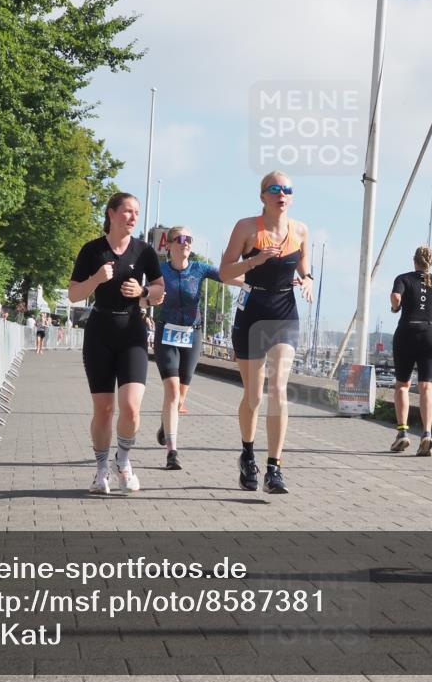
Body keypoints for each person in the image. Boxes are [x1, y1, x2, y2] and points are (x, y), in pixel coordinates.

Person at [220, 171, 313, 494]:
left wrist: (308, 280)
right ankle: (247, 454)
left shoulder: (300, 230)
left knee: (278, 389)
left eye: (287, 189)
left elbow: (305, 266)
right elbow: (224, 270)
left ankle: (274, 468)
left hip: (285, 312)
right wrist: (255, 260)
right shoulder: (246, 228)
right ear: (263, 196)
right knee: (254, 395)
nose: (282, 194)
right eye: (275, 189)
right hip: (252, 311)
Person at [68, 192, 165, 495]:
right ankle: (100, 471)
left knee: (132, 409)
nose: (133, 217)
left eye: (136, 212)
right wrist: (96, 279)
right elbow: (73, 294)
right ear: (111, 214)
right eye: (127, 211)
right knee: (105, 409)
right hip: (99, 332)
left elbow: (160, 292)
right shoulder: (92, 250)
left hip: (132, 330)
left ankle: (123, 461)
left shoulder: (144, 251)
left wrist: (143, 291)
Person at [153, 226, 244, 470]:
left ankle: (165, 423)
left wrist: (256, 281)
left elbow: (227, 277)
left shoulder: (199, 269)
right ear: (169, 245)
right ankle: (172, 452)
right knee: (171, 392)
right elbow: (146, 293)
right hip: (167, 334)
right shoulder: (159, 271)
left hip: (192, 335)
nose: (185, 243)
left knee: (180, 396)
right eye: (180, 239)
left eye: (189, 239)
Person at [388, 246, 432, 456]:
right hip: (431, 333)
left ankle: (402, 433)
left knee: (402, 386)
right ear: (430, 263)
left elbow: (395, 297)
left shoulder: (404, 278)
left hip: (408, 331)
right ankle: (426, 433)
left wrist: (395, 307)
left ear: (414, 260)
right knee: (426, 387)